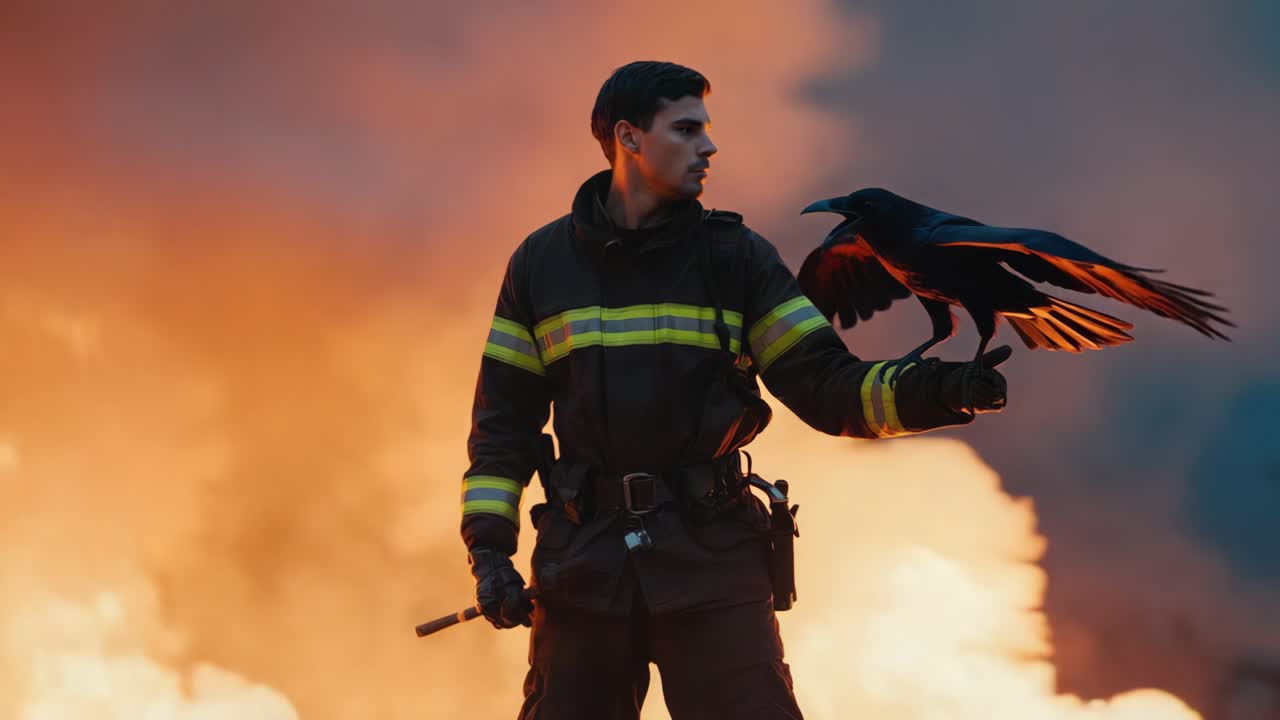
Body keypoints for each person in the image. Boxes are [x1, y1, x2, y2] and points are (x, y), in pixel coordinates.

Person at [460, 60, 1009, 719]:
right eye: (687, 129)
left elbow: (827, 387)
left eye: (707, 130)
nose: (709, 146)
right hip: (583, 575)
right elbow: (503, 427)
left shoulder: (740, 259)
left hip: (713, 566)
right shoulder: (540, 265)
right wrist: (490, 553)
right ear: (629, 138)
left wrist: (943, 391)